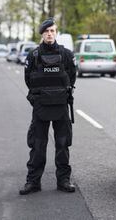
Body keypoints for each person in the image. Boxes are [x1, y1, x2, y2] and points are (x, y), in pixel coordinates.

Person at [19, 17, 76, 195]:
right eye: (46, 31)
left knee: (62, 144)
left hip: (60, 106)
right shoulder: (33, 55)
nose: (49, 34)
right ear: (42, 34)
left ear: (56, 33)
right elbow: (29, 80)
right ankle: (33, 182)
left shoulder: (66, 55)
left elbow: (72, 77)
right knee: (37, 145)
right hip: (41, 106)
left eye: (52, 31)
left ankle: (63, 181)